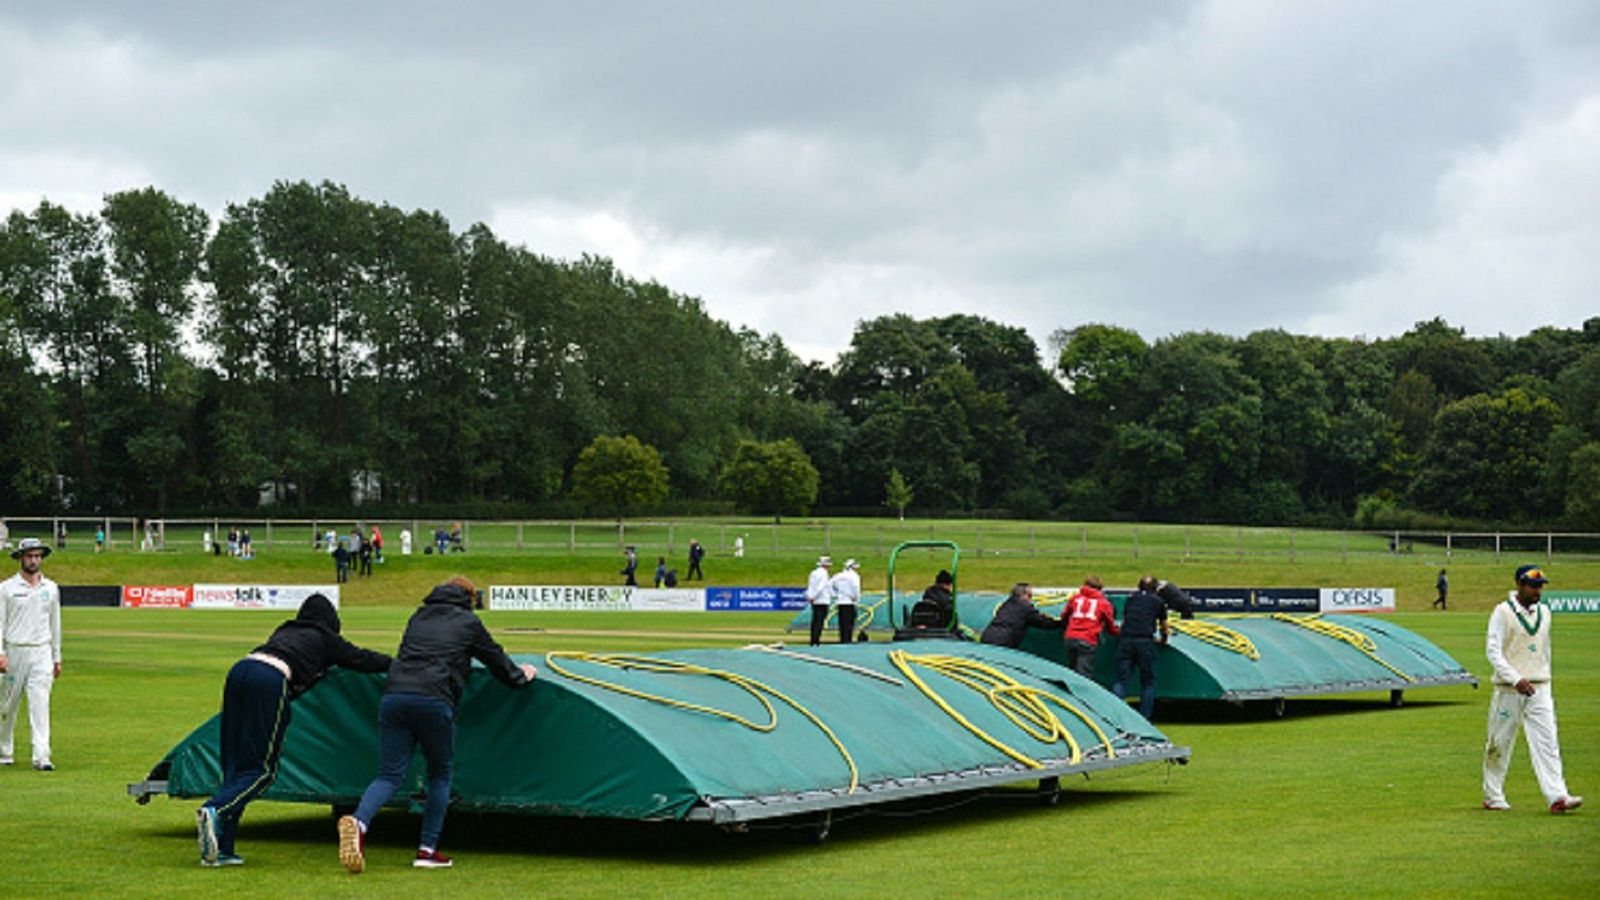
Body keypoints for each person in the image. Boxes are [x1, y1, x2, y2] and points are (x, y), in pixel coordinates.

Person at [338, 578, 537, 872]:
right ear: (469, 598)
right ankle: (427, 850)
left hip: (393, 696)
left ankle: (360, 821)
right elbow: (497, 662)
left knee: (389, 775)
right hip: (434, 699)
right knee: (440, 775)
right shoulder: (468, 622)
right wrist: (522, 675)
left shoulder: (418, 616)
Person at [195, 594, 390, 867]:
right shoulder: (325, 638)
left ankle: (222, 848)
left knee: (234, 765)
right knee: (262, 770)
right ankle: (215, 809)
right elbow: (362, 659)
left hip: (239, 670)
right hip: (270, 679)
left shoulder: (285, 629)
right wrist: (399, 664)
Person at [1483, 565, 1582, 814]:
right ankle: (1493, 796)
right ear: (1519, 584)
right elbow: (1493, 651)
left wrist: (1543, 677)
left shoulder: (1545, 613)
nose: (1538, 591)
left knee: (1548, 742)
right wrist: (1515, 679)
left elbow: (1544, 649)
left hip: (1539, 687)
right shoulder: (1502, 612)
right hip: (1509, 689)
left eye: (1540, 586)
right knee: (1499, 743)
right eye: (1532, 586)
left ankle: (1557, 795)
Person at [0, 538, 62, 771]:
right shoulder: (6, 589)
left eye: (37, 556)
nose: (34, 560)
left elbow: (55, 624)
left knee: (40, 704)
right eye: (29, 556)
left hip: (41, 652)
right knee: (7, 707)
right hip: (14, 651)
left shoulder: (51, 588)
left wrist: (57, 657)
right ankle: (5, 750)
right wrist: (0, 653)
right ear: (20, 558)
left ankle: (42, 756)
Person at [1113, 575, 1169, 721]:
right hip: (1144, 641)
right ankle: (1145, 718)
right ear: (1155, 588)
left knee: (1121, 680)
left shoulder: (1131, 599)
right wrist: (1163, 639)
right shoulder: (1158, 602)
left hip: (1125, 639)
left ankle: (1114, 716)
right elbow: (1164, 626)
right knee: (1148, 681)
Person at [1062, 575, 1118, 678]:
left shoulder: (1075, 598)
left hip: (1070, 637)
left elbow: (1064, 616)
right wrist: (1119, 632)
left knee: (1072, 672)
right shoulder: (1104, 603)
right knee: (1083, 675)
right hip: (1087, 639)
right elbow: (1111, 626)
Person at [979, 582, 1060, 648]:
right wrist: (1060, 623)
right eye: (1030, 596)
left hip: (987, 636)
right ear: (1023, 595)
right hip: (1003, 641)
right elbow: (1042, 621)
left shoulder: (1006, 604)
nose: (1030, 599)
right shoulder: (1025, 607)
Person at [829, 559, 862, 643]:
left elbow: (829, 585)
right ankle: (848, 639)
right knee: (849, 622)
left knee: (842, 622)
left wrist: (835, 595)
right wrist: (856, 597)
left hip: (841, 601)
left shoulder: (838, 575)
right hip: (850, 602)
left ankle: (843, 639)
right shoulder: (854, 576)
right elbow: (856, 587)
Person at [806, 556, 833, 647]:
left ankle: (813, 639)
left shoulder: (813, 573)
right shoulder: (824, 574)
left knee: (814, 620)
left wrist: (810, 596)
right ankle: (816, 640)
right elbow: (820, 587)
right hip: (822, 599)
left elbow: (810, 586)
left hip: (815, 600)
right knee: (819, 621)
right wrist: (814, 596)